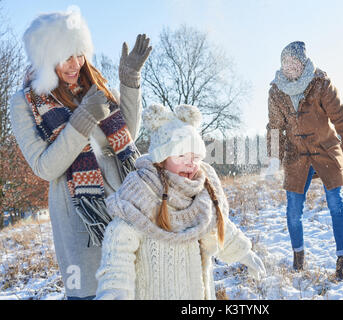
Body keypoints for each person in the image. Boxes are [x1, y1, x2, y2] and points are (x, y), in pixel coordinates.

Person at [9, 10, 151, 299]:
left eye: (79, 54)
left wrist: (129, 81)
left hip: (124, 208)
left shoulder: (91, 86)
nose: (76, 64)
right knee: (90, 292)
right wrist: (83, 119)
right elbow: (45, 167)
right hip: (81, 221)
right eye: (66, 57)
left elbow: (126, 138)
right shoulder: (25, 103)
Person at [95, 103, 266, 300]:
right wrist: (113, 293)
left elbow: (218, 228)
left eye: (195, 156)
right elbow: (117, 259)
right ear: (161, 158)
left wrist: (244, 253)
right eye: (181, 155)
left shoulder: (201, 195)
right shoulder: (139, 198)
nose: (190, 162)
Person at [265, 41, 343, 280]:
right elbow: (275, 128)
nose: (289, 66)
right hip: (296, 154)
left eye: (294, 62)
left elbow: (342, 119)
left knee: (335, 202)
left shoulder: (320, 83)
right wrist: (272, 160)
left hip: (325, 149)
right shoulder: (276, 91)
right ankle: (298, 257)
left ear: (303, 63)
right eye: (285, 62)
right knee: (292, 210)